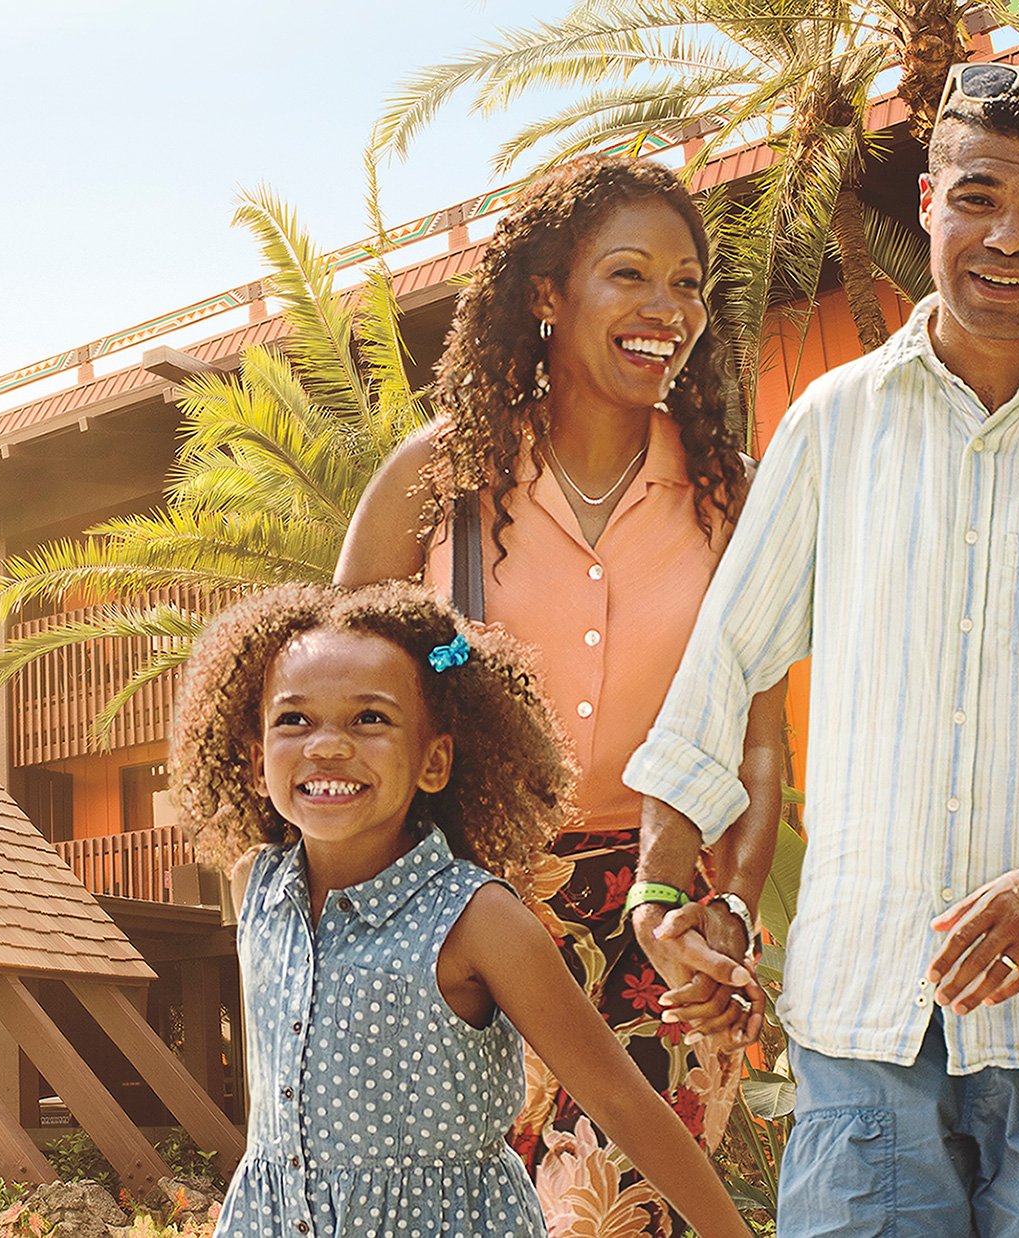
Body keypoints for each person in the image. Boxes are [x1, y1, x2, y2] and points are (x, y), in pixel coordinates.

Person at [624, 63, 1019, 1234]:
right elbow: (724, 660)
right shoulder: (833, 417)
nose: (1007, 237)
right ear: (927, 200)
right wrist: (663, 884)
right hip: (863, 1017)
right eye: (977, 196)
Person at [336, 155, 785, 1231]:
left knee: (622, 1212)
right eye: (628, 275)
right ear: (547, 293)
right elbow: (337, 682)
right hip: (465, 897)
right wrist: (461, 668)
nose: (664, 310)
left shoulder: (729, 495)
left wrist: (730, 906)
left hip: (663, 914)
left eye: (687, 285)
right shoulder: (438, 474)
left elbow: (759, 748)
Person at [171, 582, 752, 1237]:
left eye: (369, 719)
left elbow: (618, 1097)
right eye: (294, 720)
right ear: (255, 762)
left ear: (434, 760)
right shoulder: (257, 886)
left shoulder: (477, 920)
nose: (327, 745)